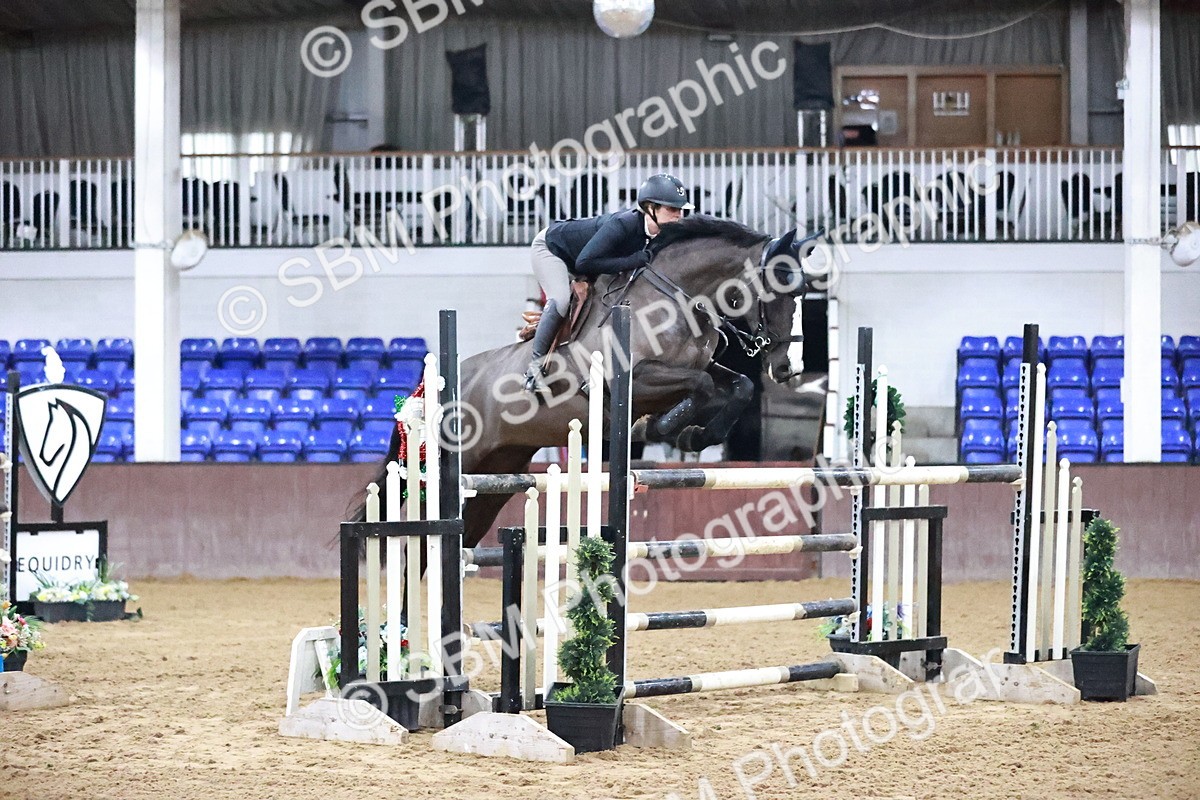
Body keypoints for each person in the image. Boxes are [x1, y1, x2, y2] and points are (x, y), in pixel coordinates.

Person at [523, 173, 693, 390]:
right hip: (552, 250)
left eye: (681, 210)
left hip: (584, 259)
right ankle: (534, 370)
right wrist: (631, 260)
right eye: (672, 209)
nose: (679, 215)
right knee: (561, 300)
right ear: (651, 208)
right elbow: (585, 263)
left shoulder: (659, 235)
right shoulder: (625, 224)